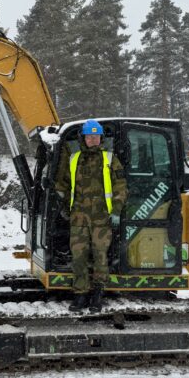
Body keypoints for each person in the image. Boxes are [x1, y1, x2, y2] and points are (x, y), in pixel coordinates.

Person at [55, 119, 127, 312]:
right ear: (83, 138)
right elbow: (63, 185)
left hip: (102, 218)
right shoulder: (74, 158)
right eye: (89, 136)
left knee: (99, 256)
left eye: (96, 136)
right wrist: (62, 205)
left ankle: (97, 295)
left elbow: (120, 188)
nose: (93, 140)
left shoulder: (110, 159)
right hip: (78, 217)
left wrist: (116, 212)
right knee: (78, 257)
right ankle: (80, 295)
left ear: (101, 138)